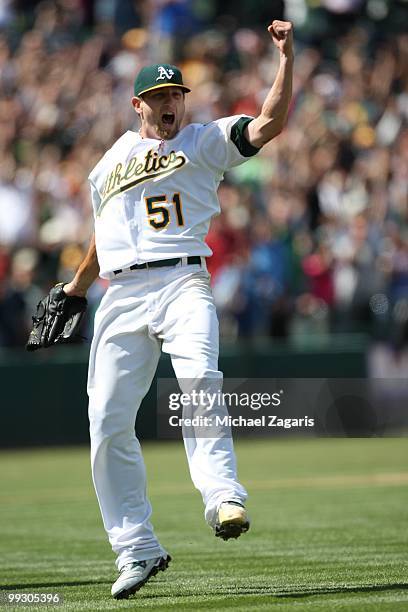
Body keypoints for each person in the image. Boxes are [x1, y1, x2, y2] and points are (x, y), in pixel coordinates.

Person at [63, 19, 293, 600]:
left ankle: (223, 498)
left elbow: (269, 124)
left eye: (177, 95)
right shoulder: (108, 162)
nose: (171, 104)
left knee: (199, 381)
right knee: (107, 421)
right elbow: (102, 235)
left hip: (183, 281)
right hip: (119, 295)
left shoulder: (203, 140)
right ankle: (136, 548)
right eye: (161, 96)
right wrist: (73, 288)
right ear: (138, 103)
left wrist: (286, 59)